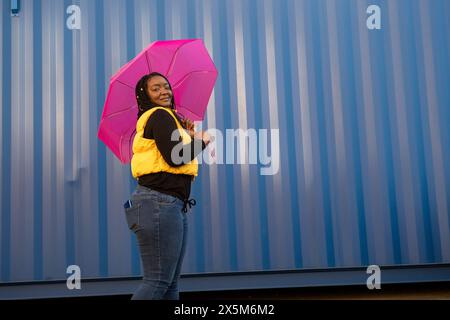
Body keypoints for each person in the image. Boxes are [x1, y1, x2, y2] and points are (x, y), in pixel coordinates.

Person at [124, 72, 211, 300]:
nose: (164, 91)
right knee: (158, 281)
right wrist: (202, 141)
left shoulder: (165, 118)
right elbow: (176, 157)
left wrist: (189, 136)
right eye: (155, 88)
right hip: (159, 204)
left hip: (170, 205)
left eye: (166, 86)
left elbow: (173, 153)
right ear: (145, 95)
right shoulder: (160, 116)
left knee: (170, 283)